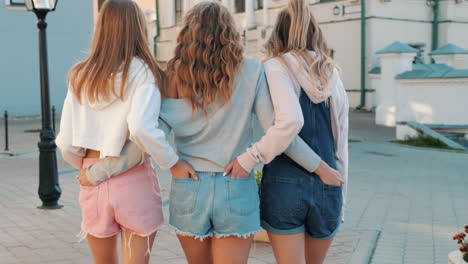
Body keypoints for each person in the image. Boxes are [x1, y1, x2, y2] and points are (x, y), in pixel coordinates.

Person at [81, 2, 344, 263]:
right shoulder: (251, 70)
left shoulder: (170, 77)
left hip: (189, 187)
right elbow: (281, 131)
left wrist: (102, 172)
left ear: (187, 34)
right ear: (230, 32)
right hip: (236, 186)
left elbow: (146, 137)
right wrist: (320, 168)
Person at [55, 1, 194, 263]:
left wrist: (86, 167)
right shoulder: (145, 72)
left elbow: (65, 142)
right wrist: (171, 162)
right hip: (133, 179)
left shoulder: (80, 75)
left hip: (92, 177)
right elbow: (142, 128)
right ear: (138, 28)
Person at [260, 0, 349, 263]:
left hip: (283, 184)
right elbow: (340, 142)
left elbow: (282, 127)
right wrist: (341, 195)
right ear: (314, 31)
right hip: (329, 183)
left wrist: (252, 156)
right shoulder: (330, 74)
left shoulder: (273, 67)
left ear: (278, 32)